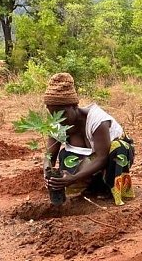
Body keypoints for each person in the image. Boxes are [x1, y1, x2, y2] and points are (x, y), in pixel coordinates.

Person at [43, 72, 135, 206]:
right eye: (53, 114)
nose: (59, 119)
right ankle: (91, 186)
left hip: (109, 160)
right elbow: (49, 156)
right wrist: (47, 172)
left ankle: (107, 187)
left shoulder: (97, 120)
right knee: (66, 156)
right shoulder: (56, 123)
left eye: (63, 114)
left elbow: (101, 157)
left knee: (119, 148)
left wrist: (73, 178)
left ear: (74, 106)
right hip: (88, 162)